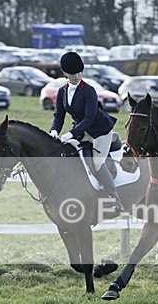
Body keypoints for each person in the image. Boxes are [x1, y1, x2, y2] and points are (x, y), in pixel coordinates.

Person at [49, 51, 124, 212]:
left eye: (79, 72)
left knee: (97, 163)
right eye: (72, 73)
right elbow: (59, 115)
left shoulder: (89, 90)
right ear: (64, 73)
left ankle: (114, 198)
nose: (76, 76)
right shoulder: (62, 91)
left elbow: (89, 118)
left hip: (100, 131)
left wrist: (71, 134)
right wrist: (54, 130)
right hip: (82, 130)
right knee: (66, 153)